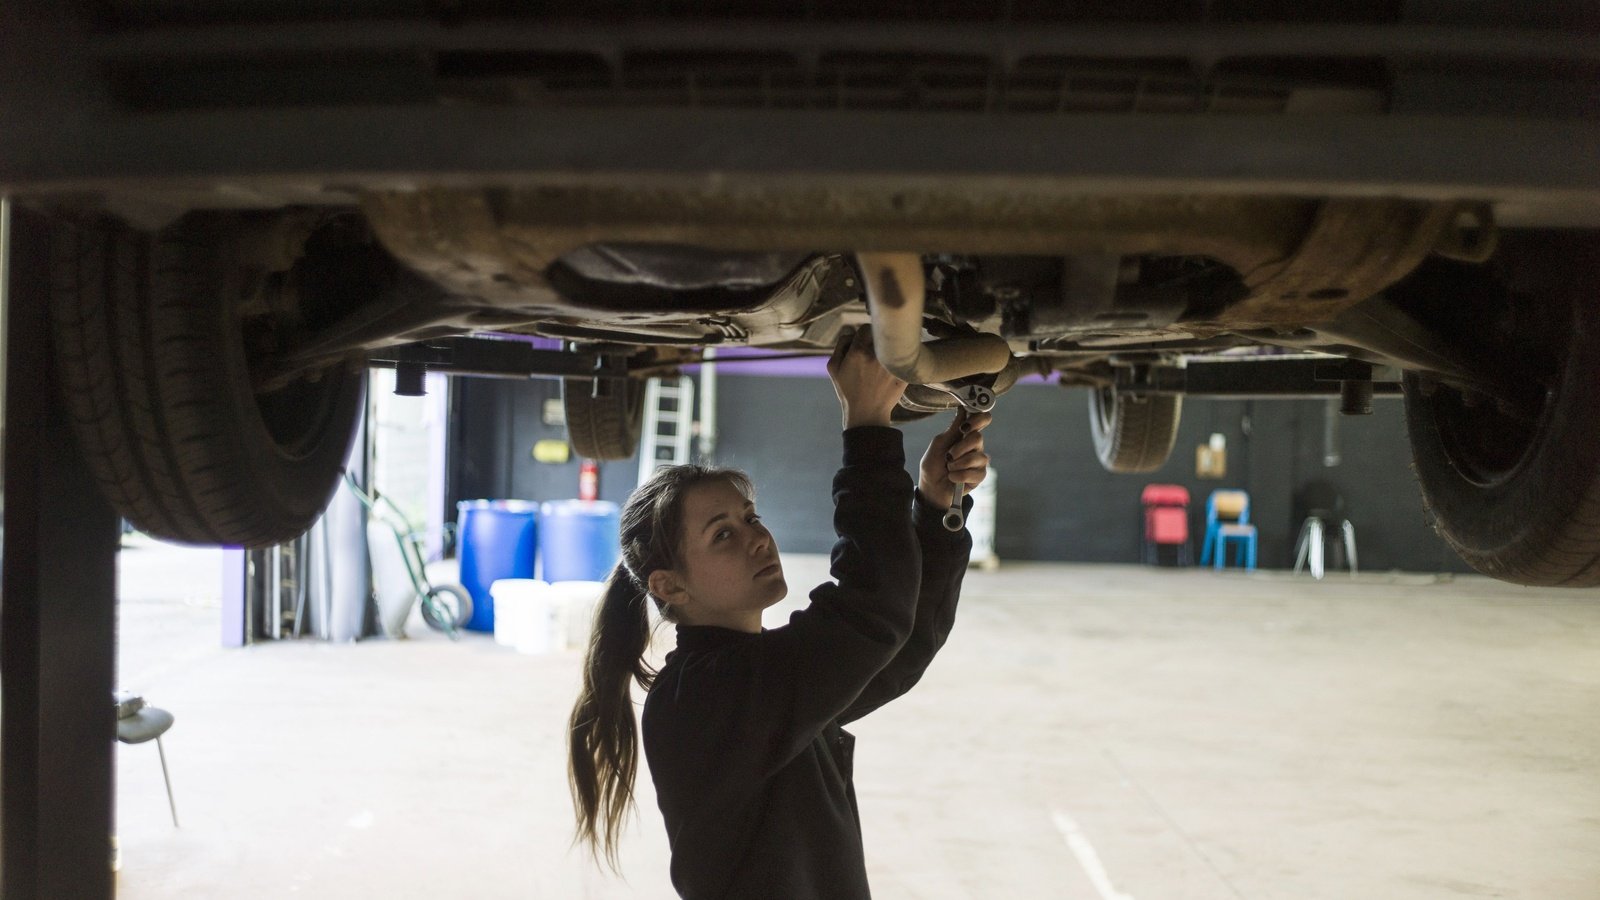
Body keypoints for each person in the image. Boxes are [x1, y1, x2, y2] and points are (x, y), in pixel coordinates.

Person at [567, 327, 992, 899]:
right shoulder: (703, 698)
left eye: (750, 517)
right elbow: (871, 612)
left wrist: (935, 502)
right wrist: (867, 428)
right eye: (723, 534)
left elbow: (898, 644)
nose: (758, 539)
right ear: (671, 585)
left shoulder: (754, 681)